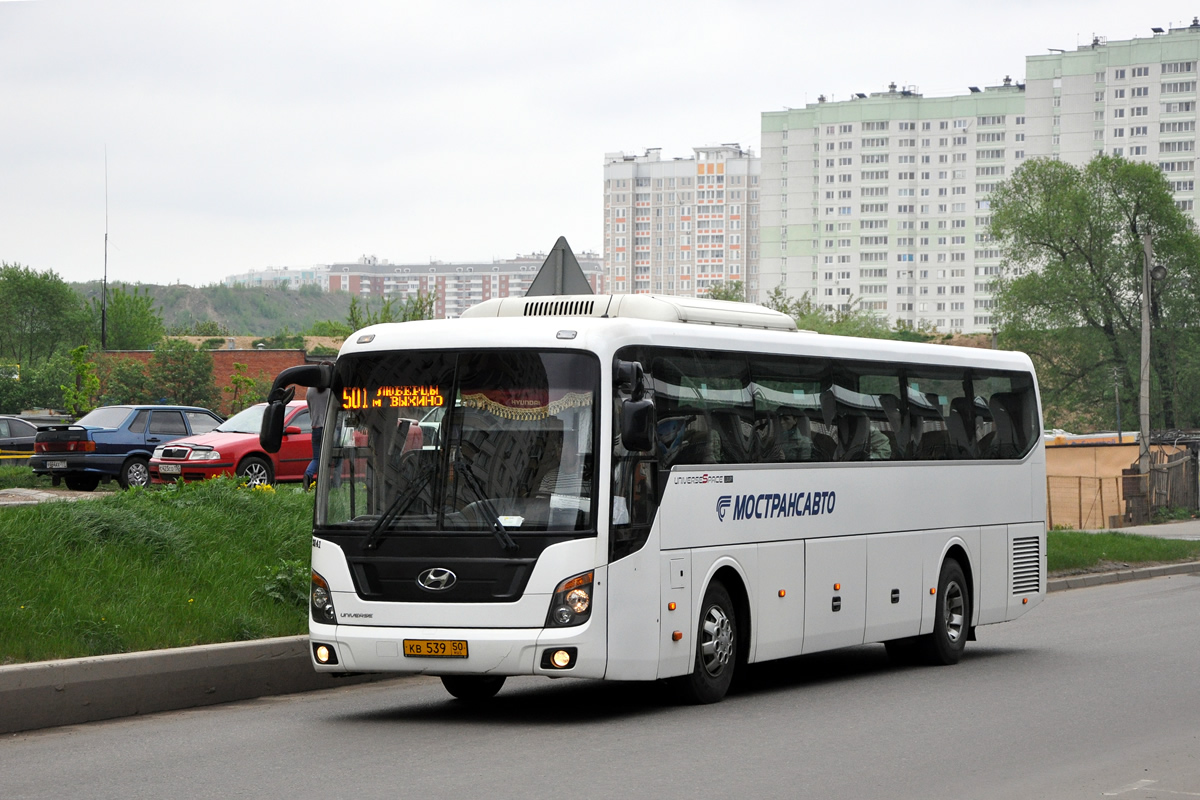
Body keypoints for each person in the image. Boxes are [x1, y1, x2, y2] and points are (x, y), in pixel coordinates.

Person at [304, 384, 330, 489]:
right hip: (329, 428)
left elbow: (310, 409)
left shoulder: (310, 390)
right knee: (334, 458)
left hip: (315, 428)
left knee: (316, 458)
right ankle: (333, 484)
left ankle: (308, 474)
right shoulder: (329, 390)